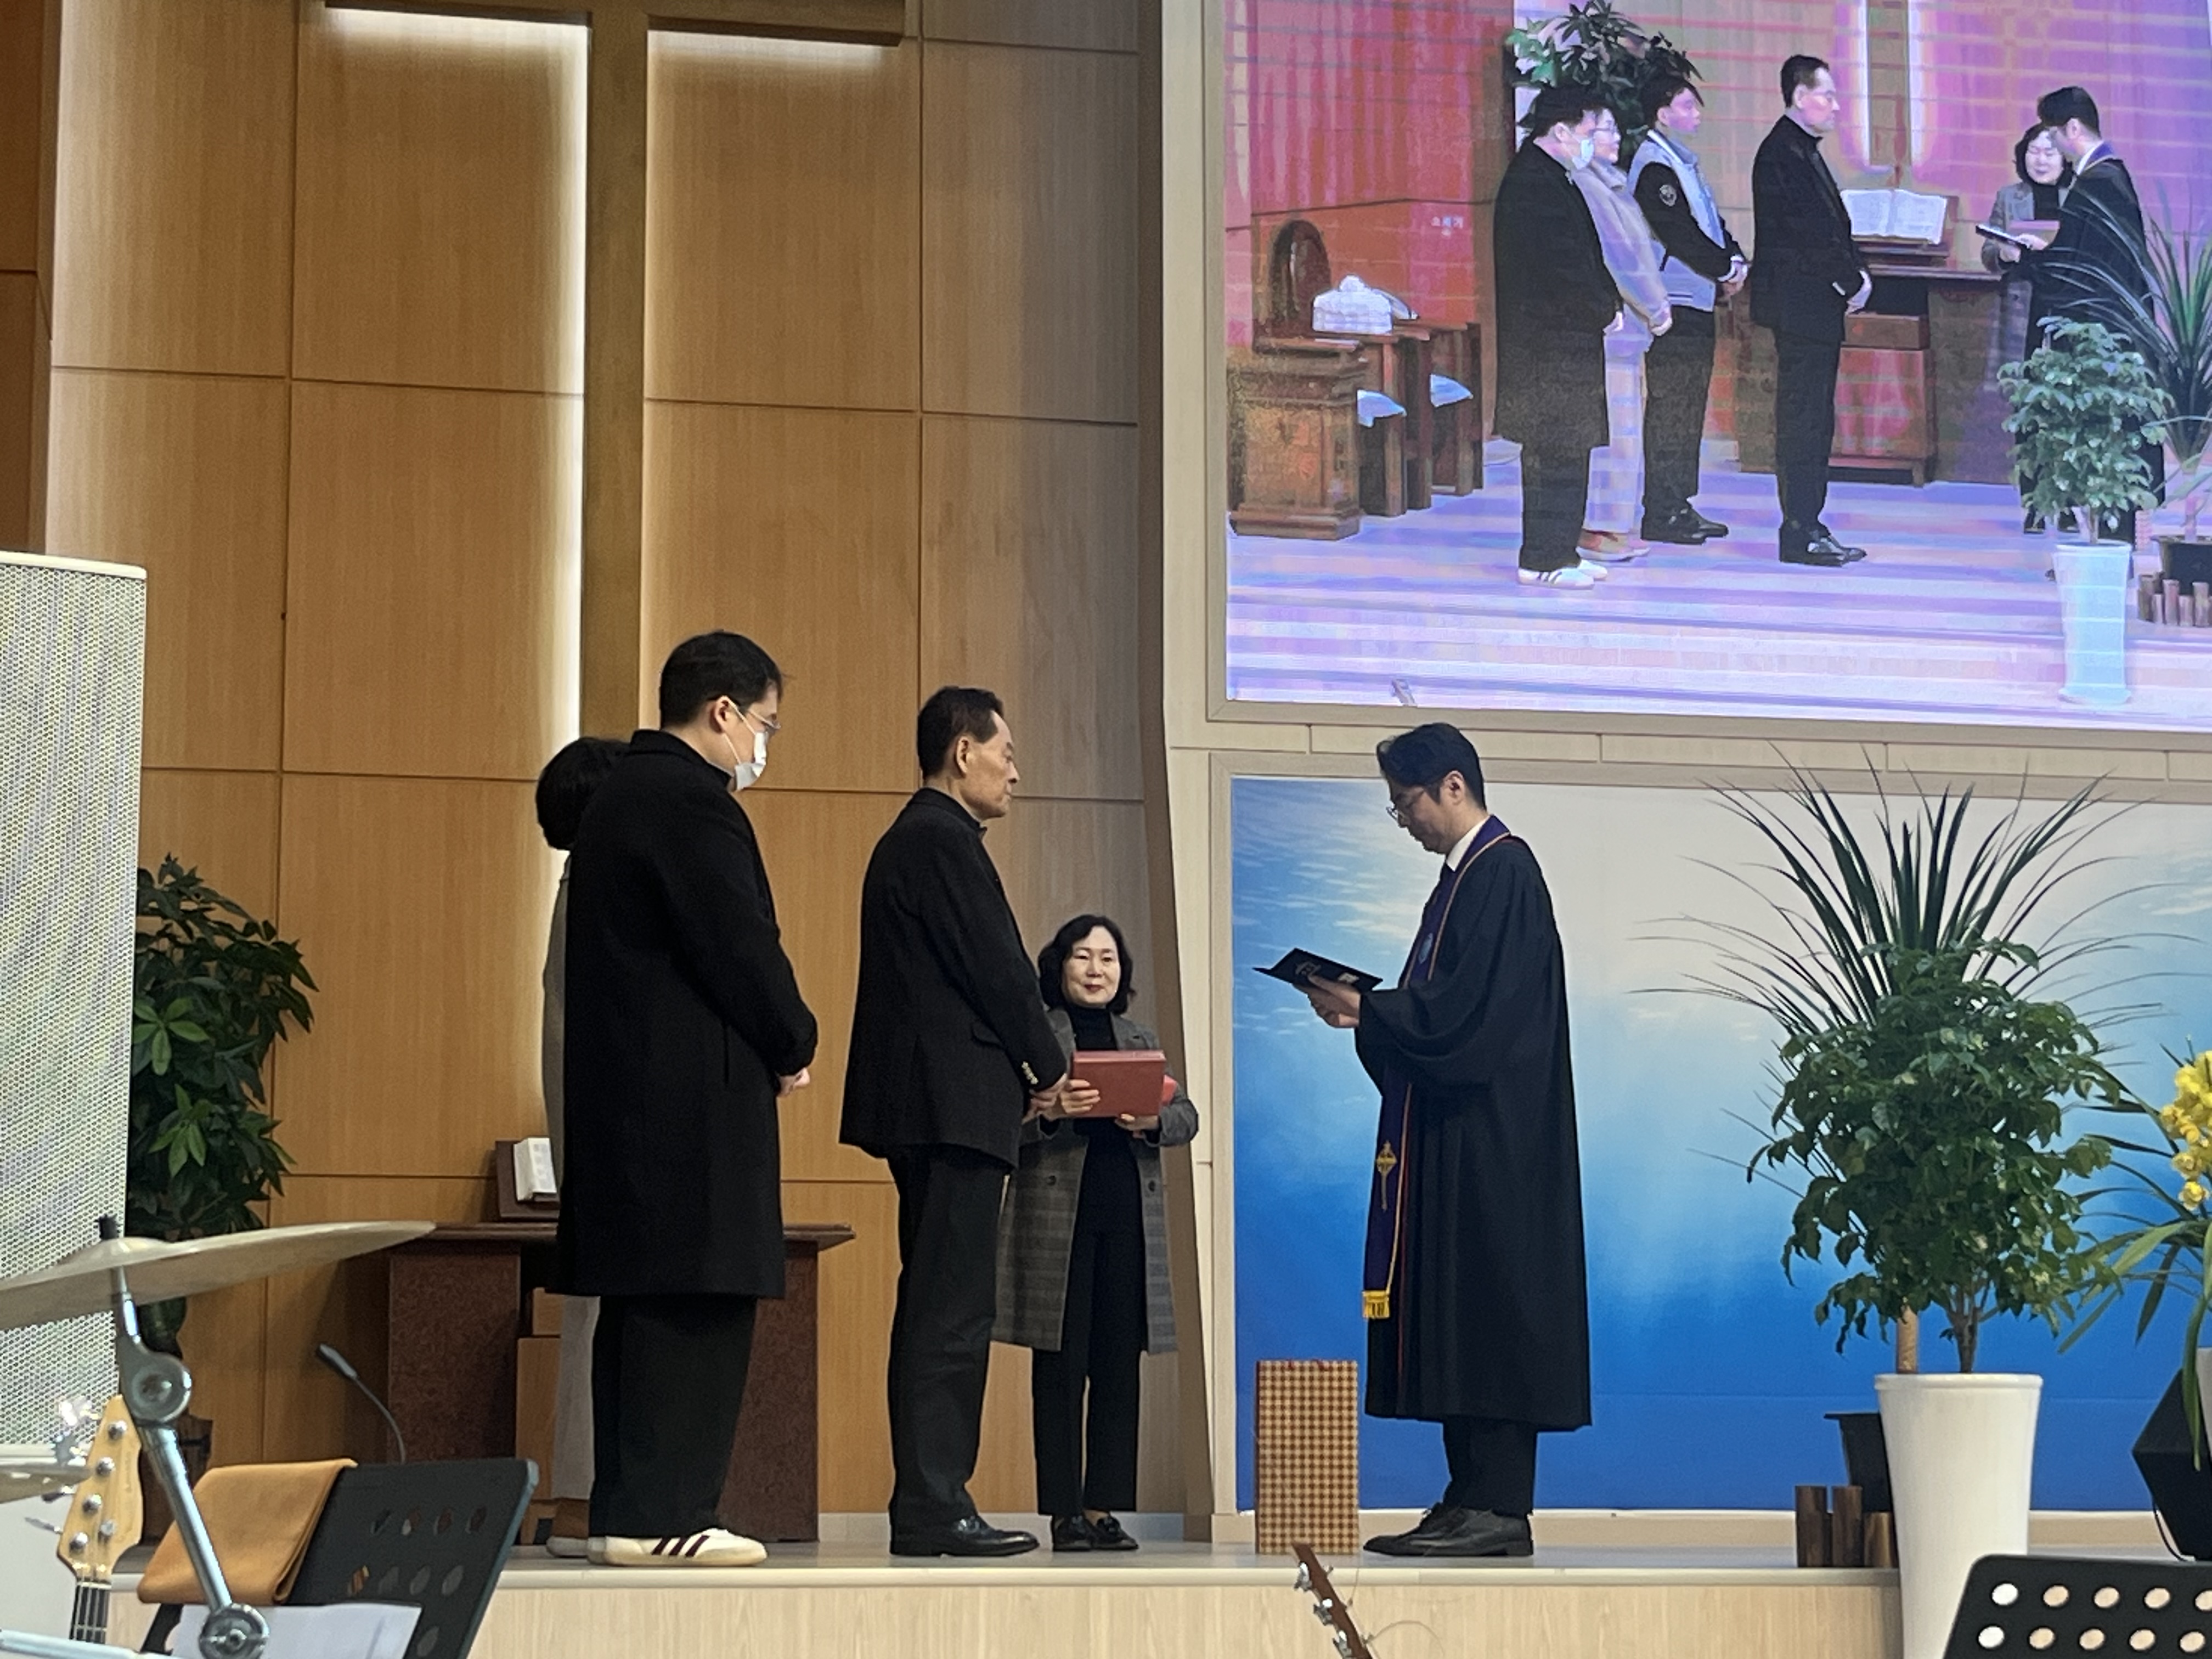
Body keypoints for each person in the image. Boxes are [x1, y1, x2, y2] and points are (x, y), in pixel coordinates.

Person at [556, 631, 817, 1569]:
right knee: (698, 1301)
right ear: (723, 711)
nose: (762, 745)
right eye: (765, 725)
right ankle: (668, 1514)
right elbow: (739, 944)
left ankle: (625, 1513)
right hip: (691, 1108)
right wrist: (793, 1038)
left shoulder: (620, 796)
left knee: (640, 1310)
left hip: (630, 1104)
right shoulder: (692, 801)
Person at [1301, 724, 1589, 1559]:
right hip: (1460, 1138)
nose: (1404, 821)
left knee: (1492, 1309)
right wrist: (1373, 1015)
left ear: (1453, 786)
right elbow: (1444, 1006)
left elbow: (1471, 1015)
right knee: (1462, 1311)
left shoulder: (1505, 872)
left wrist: (1372, 1009)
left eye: (1406, 804)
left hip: (1499, 1145)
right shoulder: (1461, 881)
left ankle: (1500, 1506)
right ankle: (1468, 1496)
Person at [840, 687, 1079, 1558]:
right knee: (951, 1308)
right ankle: (935, 1505)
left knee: (942, 1301)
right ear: (961, 750)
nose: (1015, 771)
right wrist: (1049, 1067)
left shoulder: (925, 839)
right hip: (950, 1109)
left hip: (940, 1105)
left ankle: (933, 1499)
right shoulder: (940, 840)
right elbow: (999, 971)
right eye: (1004, 752)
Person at [996, 915, 1199, 1553]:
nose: (1095, 970)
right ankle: (1063, 1513)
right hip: (1060, 1223)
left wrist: (1151, 1120)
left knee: (1118, 1366)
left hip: (1128, 1221)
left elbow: (1187, 1115)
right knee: (1060, 1367)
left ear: (1121, 972)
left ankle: (1101, 1508)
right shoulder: (1036, 1033)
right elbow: (998, 1119)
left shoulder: (1140, 1038)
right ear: (1059, 967)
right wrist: (1052, 1112)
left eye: (1107, 958)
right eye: (1082, 957)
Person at [531, 733, 626, 1558]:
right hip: (607, 1136)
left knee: (596, 1311)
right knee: (599, 1314)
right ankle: (585, 1496)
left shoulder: (585, 885)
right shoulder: (597, 886)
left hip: (590, 1133)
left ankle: (585, 1495)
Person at [1492, 85, 1623, 591]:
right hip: (1545, 348)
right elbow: (1560, 268)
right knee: (1551, 452)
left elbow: (1587, 257)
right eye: (1588, 132)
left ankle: (1563, 549)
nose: (1591, 141)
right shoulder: (1532, 183)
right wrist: (1602, 310)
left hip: (1567, 342)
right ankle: (1542, 556)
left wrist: (1607, 304)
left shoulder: (1554, 177)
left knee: (1571, 449)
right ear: (1562, 131)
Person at [2019, 85, 2158, 542]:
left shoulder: (2100, 181)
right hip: (2114, 324)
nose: (2053, 148)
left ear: (2073, 128)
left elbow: (2081, 268)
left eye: (2055, 136)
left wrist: (2031, 257)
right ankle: (2104, 546)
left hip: (2105, 332)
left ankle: (2109, 549)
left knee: (2107, 436)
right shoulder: (2108, 175)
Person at [1751, 55, 1871, 568]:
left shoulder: (1801, 149)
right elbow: (1811, 232)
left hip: (1814, 308)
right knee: (1803, 420)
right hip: (1800, 307)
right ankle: (1799, 529)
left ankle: (1811, 522)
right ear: (1800, 97)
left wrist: (1857, 273)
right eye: (1828, 95)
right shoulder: (1783, 152)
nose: (1837, 107)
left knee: (1816, 419)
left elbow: (1833, 226)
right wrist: (1851, 280)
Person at [1629, 74, 1748, 546]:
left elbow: (1711, 223)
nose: (1696, 114)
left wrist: (1735, 258)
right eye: (1686, 106)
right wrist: (1723, 268)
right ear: (1662, 113)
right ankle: (1661, 510)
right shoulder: (1654, 166)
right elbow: (1679, 233)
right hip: (1673, 300)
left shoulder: (1682, 162)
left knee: (1688, 405)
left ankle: (1679, 502)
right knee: (1671, 406)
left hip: (1695, 296)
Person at [1572, 104, 1673, 563]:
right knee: (1614, 435)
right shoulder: (1591, 187)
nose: (1615, 137)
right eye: (1604, 130)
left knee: (1626, 433)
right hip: (1615, 330)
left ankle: (1615, 524)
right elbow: (1623, 258)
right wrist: (1655, 306)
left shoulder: (1611, 183)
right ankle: (1598, 528)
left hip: (1630, 333)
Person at [1979, 124, 2072, 532]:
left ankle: (2067, 505)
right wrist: (2003, 252)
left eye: (2050, 152)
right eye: (2034, 151)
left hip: (2065, 309)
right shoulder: (2009, 197)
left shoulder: (2079, 196)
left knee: (2067, 409)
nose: (2041, 159)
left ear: (2065, 159)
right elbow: (1987, 254)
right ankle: (2034, 504)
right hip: (2023, 310)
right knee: (2028, 411)